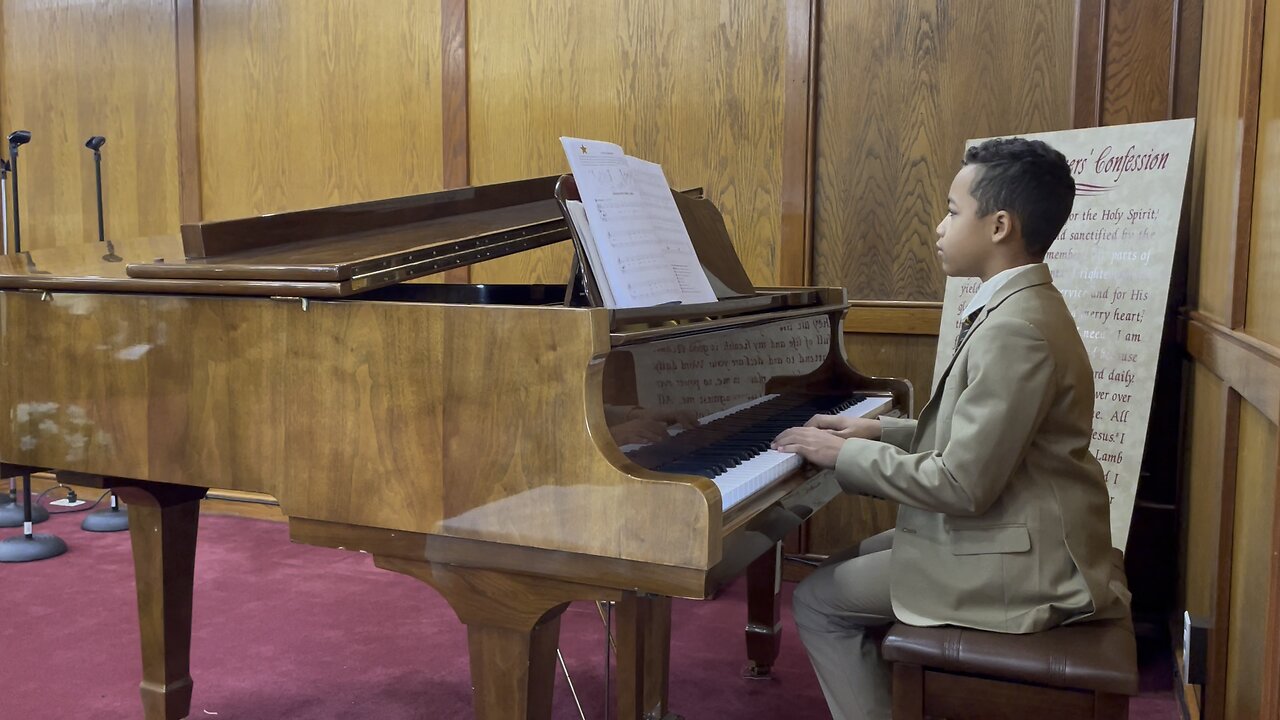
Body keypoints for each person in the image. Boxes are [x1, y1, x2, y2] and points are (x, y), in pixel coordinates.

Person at [771, 137, 1132, 720]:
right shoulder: (1020, 306)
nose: (939, 226)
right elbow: (983, 439)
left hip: (1024, 561)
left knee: (817, 601)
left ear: (999, 226)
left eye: (951, 209)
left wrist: (839, 458)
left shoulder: (1017, 329)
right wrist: (874, 435)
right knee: (844, 562)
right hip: (1016, 525)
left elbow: (963, 484)